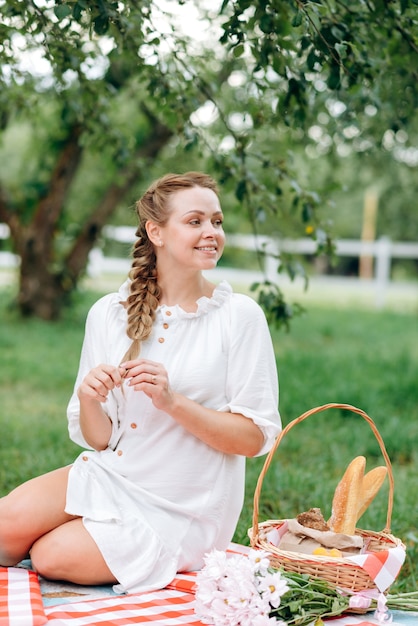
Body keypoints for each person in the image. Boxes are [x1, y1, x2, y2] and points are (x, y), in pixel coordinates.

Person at [0, 171, 281, 594]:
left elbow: (253, 438)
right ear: (156, 232)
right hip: (114, 475)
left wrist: (173, 401)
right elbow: (99, 441)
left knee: (50, 555)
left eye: (217, 222)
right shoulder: (109, 313)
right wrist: (89, 398)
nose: (211, 233)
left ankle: (93, 534)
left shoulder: (238, 315)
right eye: (195, 221)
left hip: (185, 505)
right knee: (5, 528)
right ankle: (92, 526)